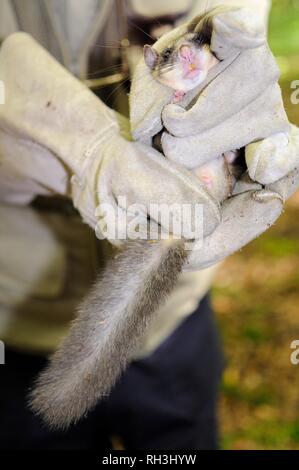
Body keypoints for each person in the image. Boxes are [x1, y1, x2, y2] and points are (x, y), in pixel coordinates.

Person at [0, 0, 288, 450]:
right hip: (20, 316)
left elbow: (235, 26)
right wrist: (71, 152)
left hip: (173, 319)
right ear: (158, 70)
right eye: (174, 58)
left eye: (193, 52)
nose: (190, 57)